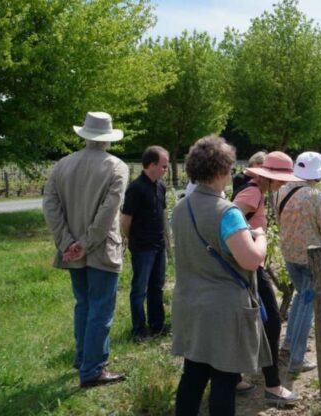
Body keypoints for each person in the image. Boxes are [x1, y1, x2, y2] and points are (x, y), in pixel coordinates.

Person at [171, 135, 271, 416]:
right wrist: (260, 237)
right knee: (225, 380)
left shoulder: (180, 208)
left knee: (192, 376)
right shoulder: (227, 212)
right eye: (229, 169)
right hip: (223, 311)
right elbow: (251, 260)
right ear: (220, 171)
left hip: (189, 304)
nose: (231, 175)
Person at [43, 111, 129, 388]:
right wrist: (85, 243)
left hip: (74, 250)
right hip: (102, 248)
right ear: (108, 138)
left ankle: (83, 358)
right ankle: (92, 369)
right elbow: (108, 212)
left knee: (84, 305)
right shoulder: (117, 167)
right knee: (101, 310)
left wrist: (68, 243)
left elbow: (50, 207)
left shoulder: (62, 166)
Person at [232, 151, 301, 405]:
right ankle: (273, 386)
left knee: (249, 321)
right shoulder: (253, 192)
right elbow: (228, 221)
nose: (283, 183)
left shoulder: (256, 190)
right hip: (248, 268)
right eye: (281, 179)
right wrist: (256, 236)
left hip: (248, 265)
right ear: (269, 177)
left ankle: (235, 377)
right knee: (271, 321)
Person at [278, 151, 321, 374]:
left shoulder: (281, 191)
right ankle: (297, 359)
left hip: (290, 255)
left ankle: (288, 346)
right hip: (314, 259)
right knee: (308, 304)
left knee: (299, 299)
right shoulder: (314, 195)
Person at [122, 146, 170, 342]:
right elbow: (126, 221)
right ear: (152, 165)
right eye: (164, 166)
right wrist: (131, 239)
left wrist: (167, 238)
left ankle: (157, 325)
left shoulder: (161, 186)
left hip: (159, 245)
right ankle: (139, 330)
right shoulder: (136, 188)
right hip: (142, 247)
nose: (166, 170)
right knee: (139, 288)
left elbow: (163, 215)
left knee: (156, 286)